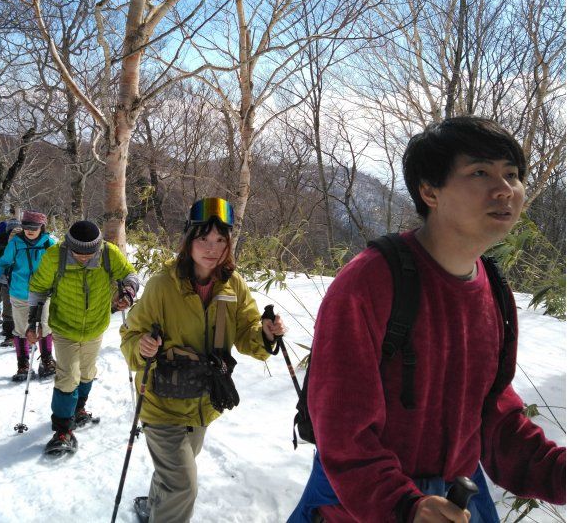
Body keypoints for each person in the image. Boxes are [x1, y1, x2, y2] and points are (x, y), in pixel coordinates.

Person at [288, 117, 565, 522]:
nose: (505, 189)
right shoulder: (370, 282)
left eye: (512, 174)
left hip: (457, 499)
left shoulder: (495, 291)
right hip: (367, 505)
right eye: (480, 172)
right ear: (429, 191)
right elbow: (343, 430)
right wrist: (405, 505)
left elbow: (495, 416)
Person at [119, 197, 286, 523]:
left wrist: (265, 334)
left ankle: (152, 506)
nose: (212, 248)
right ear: (188, 240)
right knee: (183, 485)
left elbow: (246, 332)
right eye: (204, 239)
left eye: (221, 240)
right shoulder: (161, 286)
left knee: (174, 475)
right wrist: (141, 347)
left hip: (203, 402)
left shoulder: (232, 284)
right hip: (160, 403)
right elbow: (129, 335)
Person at [26, 220, 140, 454]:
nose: (84, 257)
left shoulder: (108, 253)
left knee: (87, 373)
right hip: (64, 327)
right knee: (68, 375)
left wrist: (128, 293)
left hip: (96, 326)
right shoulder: (54, 256)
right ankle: (62, 430)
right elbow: (38, 288)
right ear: (69, 246)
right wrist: (33, 322)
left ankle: (78, 410)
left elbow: (130, 274)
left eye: (90, 253)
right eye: (79, 253)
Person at [0, 210, 57, 380]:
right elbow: (5, 261)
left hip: (43, 292)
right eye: (27, 227)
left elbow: (57, 265)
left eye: (34, 227)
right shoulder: (16, 243)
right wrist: (1, 273)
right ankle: (23, 364)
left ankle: (47, 360)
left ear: (41, 227)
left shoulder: (49, 244)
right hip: (19, 292)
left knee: (44, 326)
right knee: (22, 328)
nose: (30, 230)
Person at [0, 218, 21, 345]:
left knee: (9, 308)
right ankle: (13, 334)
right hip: (14, 282)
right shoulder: (5, 243)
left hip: (13, 282)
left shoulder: (3, 242)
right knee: (13, 309)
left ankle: (11, 335)